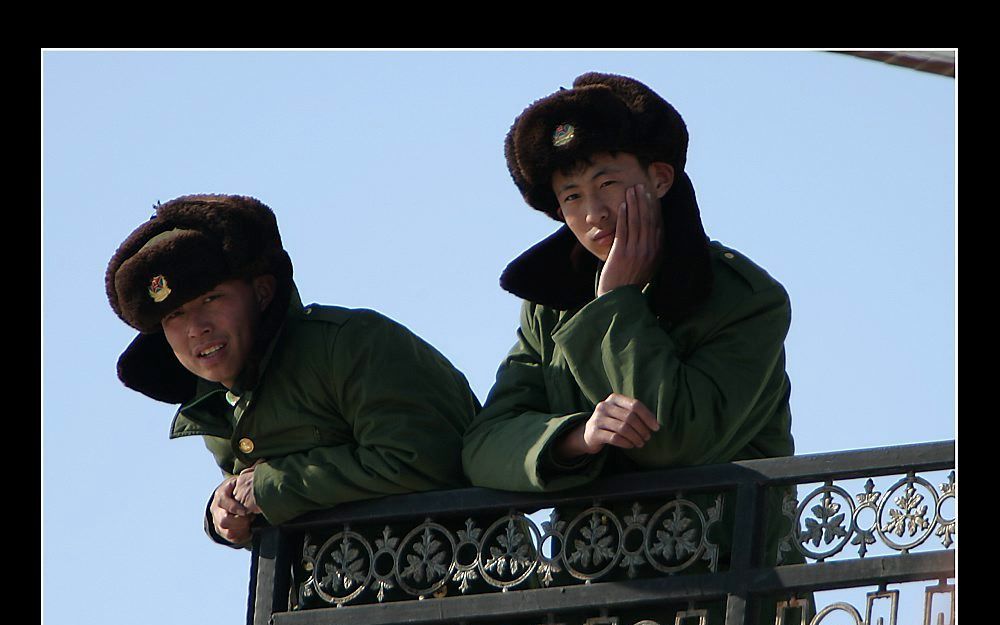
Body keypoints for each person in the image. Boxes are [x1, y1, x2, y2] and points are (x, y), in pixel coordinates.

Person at [461, 72, 800, 621]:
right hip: (598, 592)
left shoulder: (745, 299)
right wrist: (574, 436)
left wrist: (616, 301)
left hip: (730, 590)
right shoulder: (550, 305)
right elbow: (485, 443)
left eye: (607, 184)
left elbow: (675, 440)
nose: (590, 212)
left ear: (660, 179)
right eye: (571, 196)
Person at [106, 194, 480, 547]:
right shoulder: (215, 404)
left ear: (263, 292)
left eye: (211, 299)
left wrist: (272, 485)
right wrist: (225, 512)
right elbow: (285, 509)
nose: (196, 328)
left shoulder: (347, 345)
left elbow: (425, 460)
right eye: (175, 315)